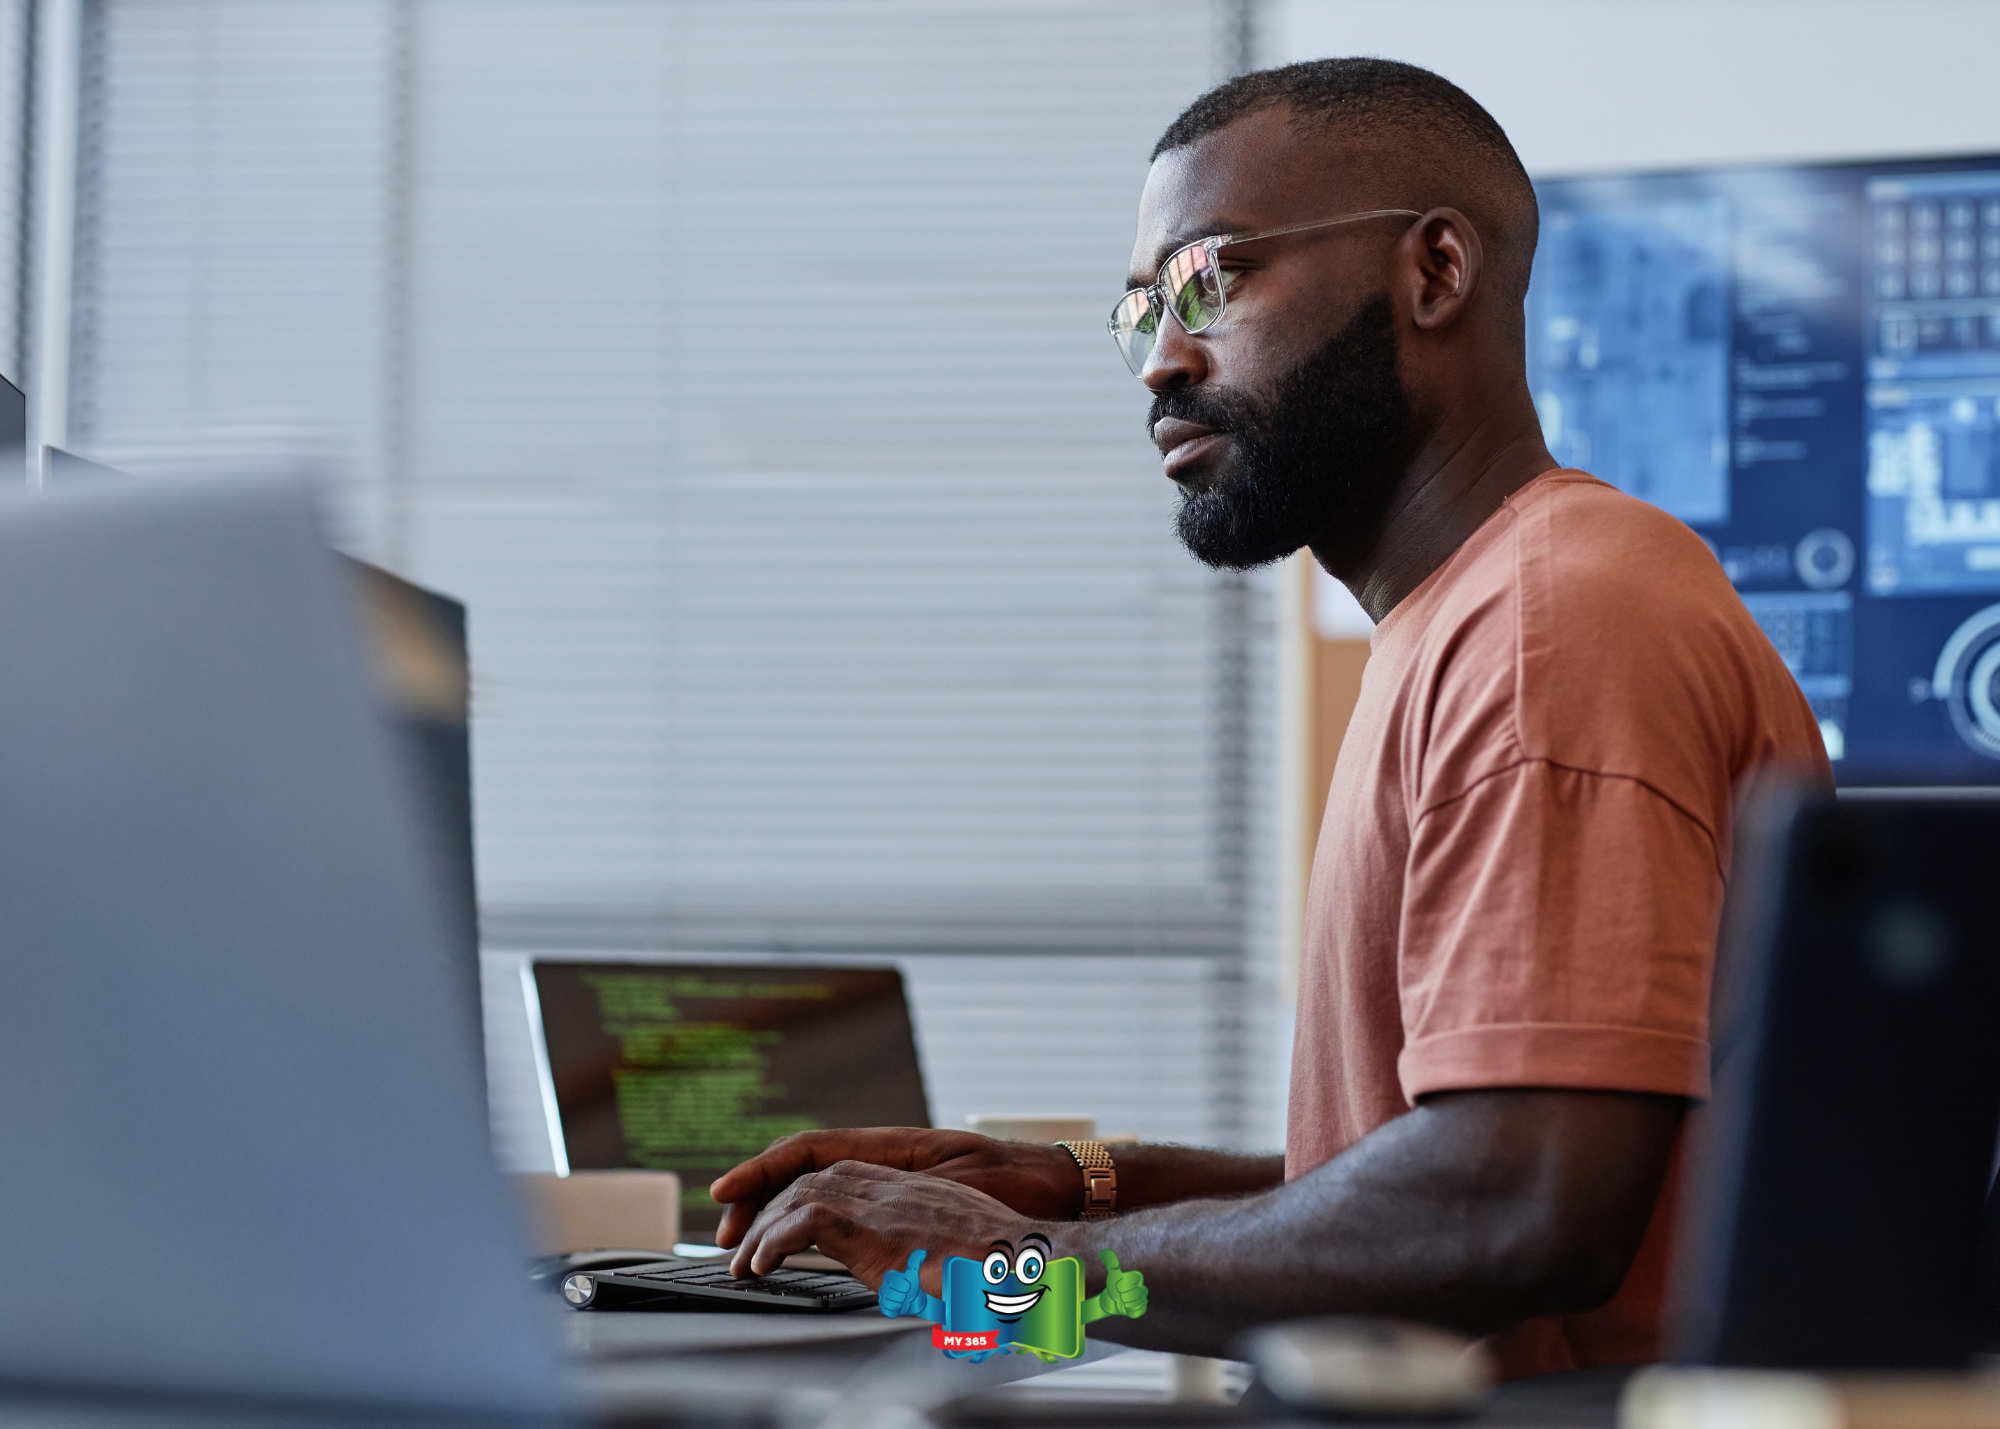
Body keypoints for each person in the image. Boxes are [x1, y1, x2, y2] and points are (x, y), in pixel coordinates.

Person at [708, 58, 1829, 1377]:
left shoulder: (1548, 627)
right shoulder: (1478, 617)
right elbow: (1416, 1174)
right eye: (1140, 314)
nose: (1162, 364)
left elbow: (1516, 1212)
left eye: (1212, 282)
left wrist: (1014, 1278)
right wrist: (1075, 1190)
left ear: (1435, 274)